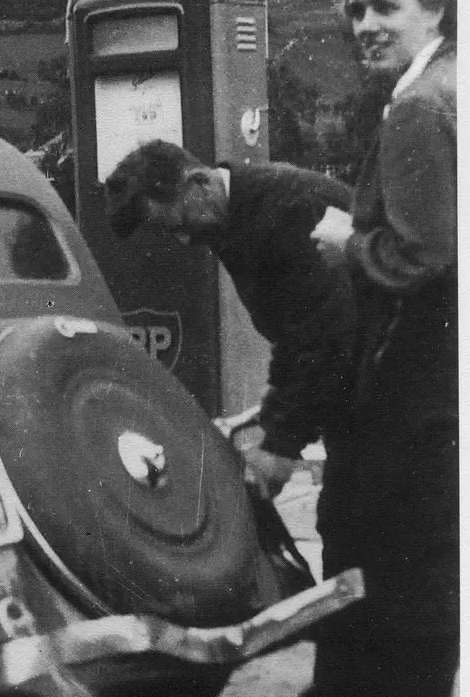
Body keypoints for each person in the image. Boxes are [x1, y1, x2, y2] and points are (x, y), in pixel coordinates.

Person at [307, 0, 457, 697]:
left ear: (434, 8)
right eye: (356, 8)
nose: (364, 24)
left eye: (385, 7)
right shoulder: (450, 83)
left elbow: (426, 256)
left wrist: (347, 242)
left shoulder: (417, 107)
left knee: (413, 565)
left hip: (419, 375)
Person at [103, 140, 356, 502]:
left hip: (396, 382)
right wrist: (273, 408)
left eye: (180, 224)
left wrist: (279, 448)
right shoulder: (231, 217)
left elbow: (325, 334)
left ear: (199, 183)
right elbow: (292, 330)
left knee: (358, 529)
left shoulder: (285, 208)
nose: (184, 238)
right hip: (360, 380)